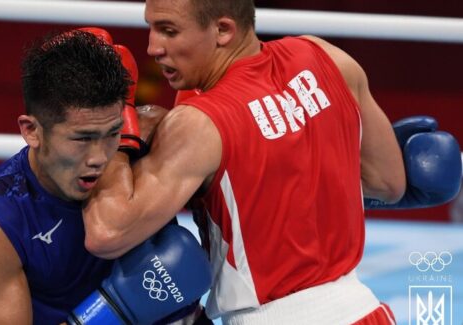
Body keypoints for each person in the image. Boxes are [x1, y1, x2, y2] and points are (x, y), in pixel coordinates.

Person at [82, 0, 462, 324]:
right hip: (365, 310)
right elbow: (389, 183)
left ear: (223, 30)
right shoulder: (326, 57)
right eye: (150, 27)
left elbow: (108, 232)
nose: (152, 47)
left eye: (168, 30)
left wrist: (119, 127)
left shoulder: (199, 122)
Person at [0, 28, 211, 325]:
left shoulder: (154, 137)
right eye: (82, 139)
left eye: (112, 133)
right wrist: (112, 312)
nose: (99, 157)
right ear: (31, 131)